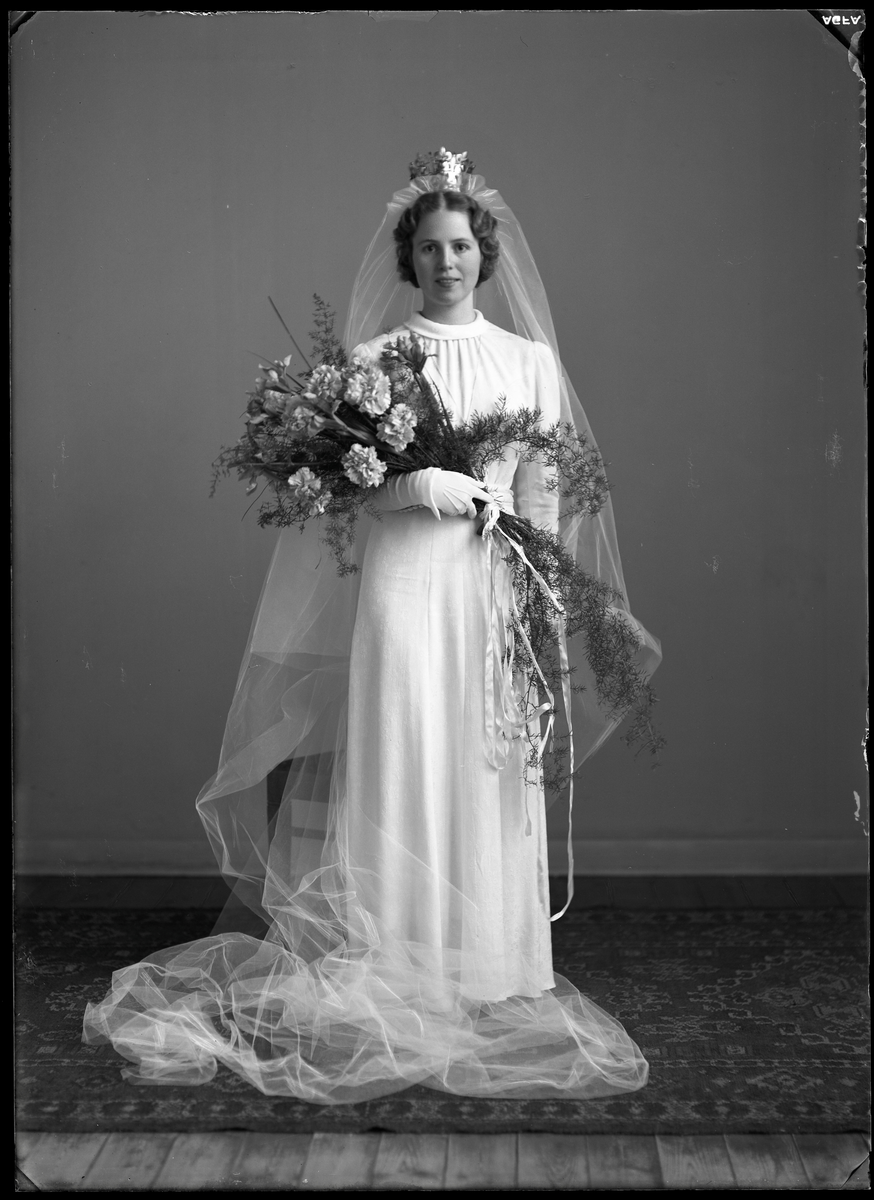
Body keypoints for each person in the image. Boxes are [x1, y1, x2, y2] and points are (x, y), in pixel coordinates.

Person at [83, 152, 661, 1103]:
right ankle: (396, 959)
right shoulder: (373, 363)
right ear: (408, 258)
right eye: (430, 248)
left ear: (485, 254)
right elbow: (350, 493)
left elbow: (543, 493)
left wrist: (542, 604)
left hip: (492, 582)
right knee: (403, 749)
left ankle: (487, 962)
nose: (447, 263)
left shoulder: (527, 362)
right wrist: (418, 482)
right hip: (404, 584)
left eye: (461, 246)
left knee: (484, 758)